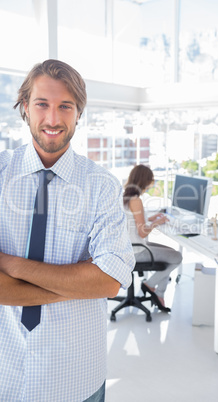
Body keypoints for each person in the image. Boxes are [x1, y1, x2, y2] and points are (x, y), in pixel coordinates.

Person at [0, 59, 135, 402]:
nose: (53, 119)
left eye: (66, 106)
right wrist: (78, 283)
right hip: (5, 371)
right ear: (25, 108)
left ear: (79, 113)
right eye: (42, 104)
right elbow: (98, 280)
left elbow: (107, 280)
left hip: (74, 377)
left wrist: (12, 266)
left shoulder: (102, 187)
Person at [123, 164, 182, 312]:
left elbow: (134, 221)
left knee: (171, 251)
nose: (151, 184)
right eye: (151, 180)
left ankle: (157, 293)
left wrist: (150, 218)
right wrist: (157, 222)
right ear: (144, 181)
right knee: (177, 257)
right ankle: (151, 286)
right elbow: (142, 232)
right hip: (138, 251)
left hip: (130, 248)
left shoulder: (126, 196)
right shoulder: (136, 200)